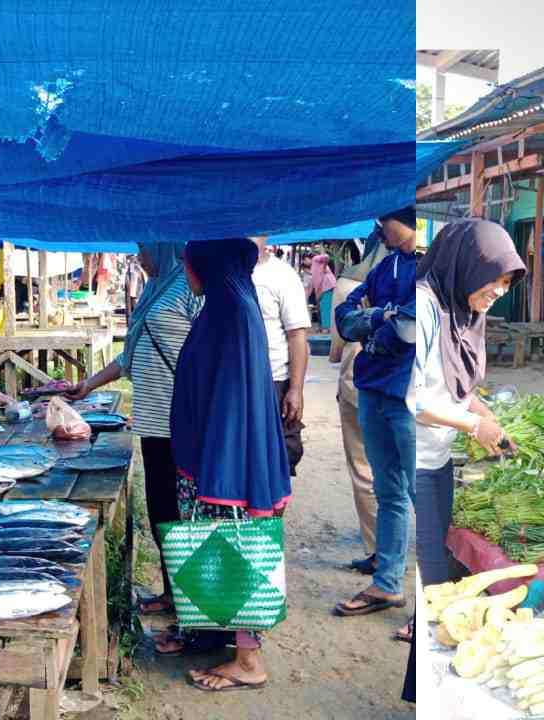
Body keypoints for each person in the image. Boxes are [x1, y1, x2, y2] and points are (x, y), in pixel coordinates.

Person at [172, 238, 293, 692]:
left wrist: (217, 465)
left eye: (188, 265)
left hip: (227, 460)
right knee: (221, 546)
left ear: (207, 264)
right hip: (217, 453)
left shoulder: (233, 312)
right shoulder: (227, 304)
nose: (186, 275)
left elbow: (232, 398)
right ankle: (226, 640)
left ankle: (248, 660)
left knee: (236, 544)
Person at [65, 244, 202, 638]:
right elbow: (131, 355)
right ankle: (173, 593)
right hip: (153, 421)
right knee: (162, 510)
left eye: (144, 247)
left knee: (179, 515)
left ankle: (189, 611)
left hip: (180, 421)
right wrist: (88, 385)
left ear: (165, 244)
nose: (140, 256)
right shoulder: (156, 286)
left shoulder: (190, 289)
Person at [409, 219, 523, 606]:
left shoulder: (463, 308)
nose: (500, 291)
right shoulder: (424, 306)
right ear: (468, 266)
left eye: (508, 283)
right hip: (414, 457)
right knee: (433, 570)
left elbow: (455, 387)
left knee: (438, 549)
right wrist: (475, 425)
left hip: (438, 456)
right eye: (495, 278)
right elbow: (416, 399)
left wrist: (486, 415)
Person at [332, 207, 418, 623]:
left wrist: (375, 316)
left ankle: (432, 613)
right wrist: (381, 315)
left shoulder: (430, 269)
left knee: (425, 497)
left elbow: (408, 329)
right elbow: (344, 320)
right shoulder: (385, 265)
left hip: (408, 394)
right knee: (389, 494)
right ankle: (387, 584)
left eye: (383, 221)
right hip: (372, 387)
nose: (377, 229)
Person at [330, 230, 386, 583]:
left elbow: (336, 350)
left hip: (358, 384)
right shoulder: (414, 276)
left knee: (365, 470)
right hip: (402, 388)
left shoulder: (348, 284)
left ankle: (378, 551)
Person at [251, 237, 310, 476]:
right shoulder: (222, 271)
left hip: (275, 381)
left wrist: (295, 389)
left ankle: (272, 515)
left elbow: (297, 335)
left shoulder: (281, 275)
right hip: (235, 382)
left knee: (282, 459)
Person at [309, 253, 337, 332]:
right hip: (327, 286)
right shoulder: (316, 266)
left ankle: (326, 328)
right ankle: (327, 327)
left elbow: (326, 256)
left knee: (326, 307)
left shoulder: (315, 259)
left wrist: (324, 265)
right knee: (325, 307)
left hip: (327, 286)